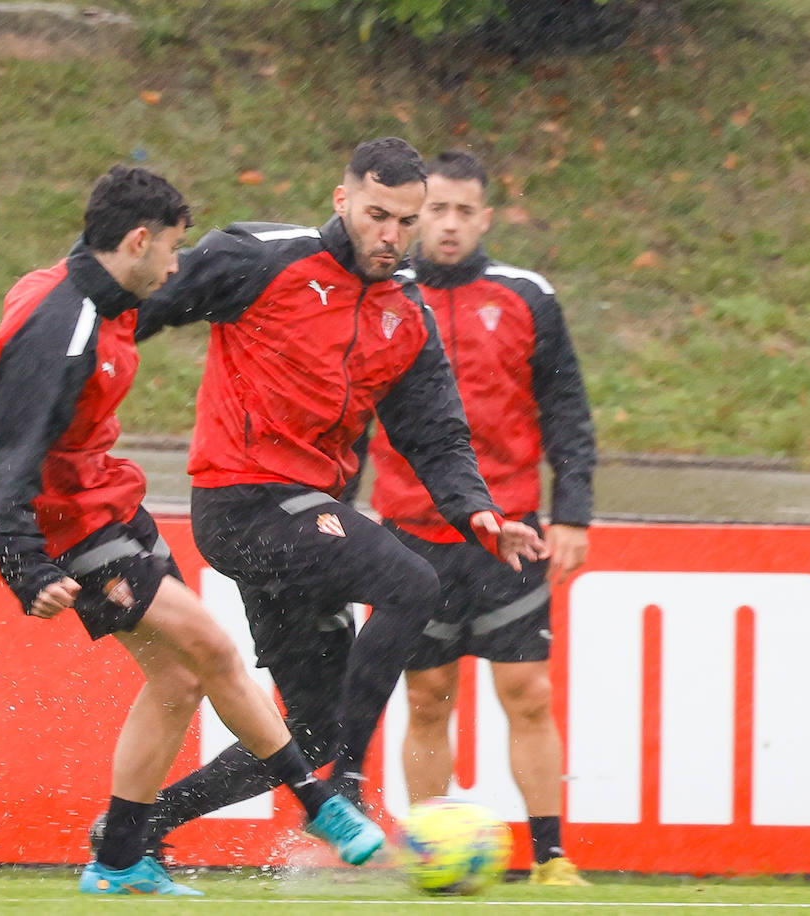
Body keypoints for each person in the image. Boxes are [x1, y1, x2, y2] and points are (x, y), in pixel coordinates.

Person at [114, 138, 547, 856]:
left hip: (305, 523)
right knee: (412, 584)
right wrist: (81, 352)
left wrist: (477, 509)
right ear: (341, 200)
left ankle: (139, 826)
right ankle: (346, 785)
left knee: (308, 726)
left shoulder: (406, 311)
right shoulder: (263, 258)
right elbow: (144, 299)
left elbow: (435, 433)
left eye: (406, 222)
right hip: (241, 503)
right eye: (378, 215)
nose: (392, 236)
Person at [0, 165, 384, 897]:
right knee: (214, 650)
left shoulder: (104, 295)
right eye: (170, 250)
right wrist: (23, 563)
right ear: (136, 241)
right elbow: (7, 455)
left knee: (179, 677)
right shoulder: (64, 323)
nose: (175, 266)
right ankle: (319, 806)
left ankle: (121, 859)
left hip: (108, 504)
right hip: (69, 526)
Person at [368, 148, 595, 885]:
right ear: (415, 214)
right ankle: (430, 854)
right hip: (411, 531)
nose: (450, 224)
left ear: (486, 217)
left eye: (466, 210)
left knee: (527, 692)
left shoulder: (527, 295)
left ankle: (553, 858)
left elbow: (567, 412)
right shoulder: (381, 294)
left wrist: (574, 513)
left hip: (513, 531)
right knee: (427, 697)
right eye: (436, 209)